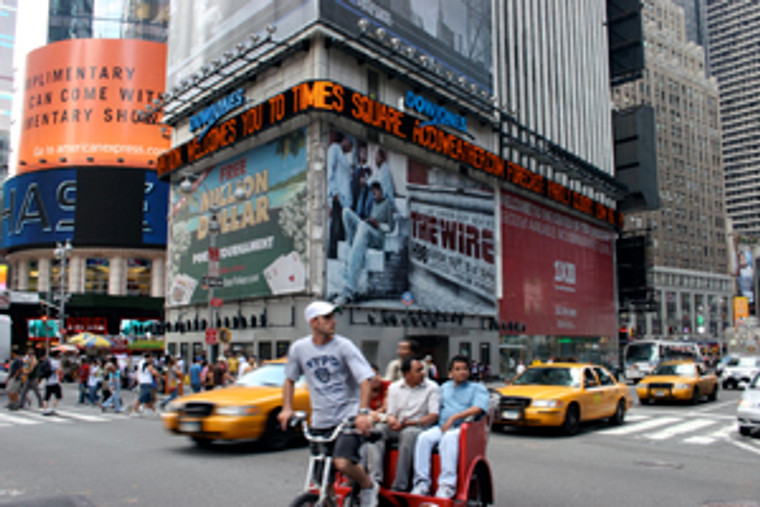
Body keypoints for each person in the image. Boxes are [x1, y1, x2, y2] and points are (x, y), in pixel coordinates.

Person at [278, 301, 378, 507]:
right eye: (328, 318)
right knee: (322, 476)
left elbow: (364, 380)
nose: (333, 322)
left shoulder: (344, 346)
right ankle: (329, 502)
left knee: (342, 462)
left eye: (333, 317)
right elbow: (289, 380)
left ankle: (368, 486)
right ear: (314, 322)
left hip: (347, 417)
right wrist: (286, 408)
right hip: (320, 419)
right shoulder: (299, 348)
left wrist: (363, 412)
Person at [410, 355, 490, 499]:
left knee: (448, 438)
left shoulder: (477, 388)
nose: (462, 372)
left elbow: (478, 408)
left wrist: (454, 417)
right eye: (457, 369)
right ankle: (422, 483)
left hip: (463, 428)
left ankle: (447, 486)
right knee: (423, 438)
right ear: (450, 373)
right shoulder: (444, 388)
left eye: (465, 369)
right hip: (442, 426)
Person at [366, 356, 440, 492]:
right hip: (398, 424)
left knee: (408, 435)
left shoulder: (432, 387)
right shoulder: (395, 387)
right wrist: (392, 420)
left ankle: (400, 485)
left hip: (418, 426)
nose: (423, 373)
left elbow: (433, 415)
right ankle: (375, 479)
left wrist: (409, 423)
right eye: (418, 371)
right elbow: (391, 412)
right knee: (376, 431)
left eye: (422, 370)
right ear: (407, 374)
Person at [334, 182, 394, 305]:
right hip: (368, 229)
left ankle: (349, 290)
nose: (374, 194)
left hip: (378, 237)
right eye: (373, 191)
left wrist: (378, 224)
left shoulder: (387, 204)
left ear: (382, 191)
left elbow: (391, 227)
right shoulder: (372, 203)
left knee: (363, 226)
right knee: (346, 212)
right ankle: (354, 251)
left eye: (377, 191)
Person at [327, 133, 354, 259]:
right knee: (336, 230)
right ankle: (333, 255)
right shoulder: (334, 149)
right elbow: (329, 173)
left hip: (344, 201)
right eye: (351, 145)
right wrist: (334, 193)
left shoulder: (343, 155)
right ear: (346, 139)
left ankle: (339, 257)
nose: (351, 149)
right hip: (337, 197)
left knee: (342, 231)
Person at [130, 353, 159, 417]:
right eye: (151, 357)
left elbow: (137, 372)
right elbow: (153, 372)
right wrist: (158, 374)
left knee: (148, 398)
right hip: (146, 382)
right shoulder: (147, 363)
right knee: (142, 397)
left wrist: (136, 379)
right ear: (149, 357)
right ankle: (134, 411)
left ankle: (154, 411)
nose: (152, 359)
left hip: (142, 381)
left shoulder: (140, 362)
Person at [42, 351, 63, 416]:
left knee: (46, 397)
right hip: (54, 381)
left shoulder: (49, 361)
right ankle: (53, 409)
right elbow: (57, 371)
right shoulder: (56, 362)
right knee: (58, 395)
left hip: (48, 381)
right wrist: (60, 367)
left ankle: (44, 410)